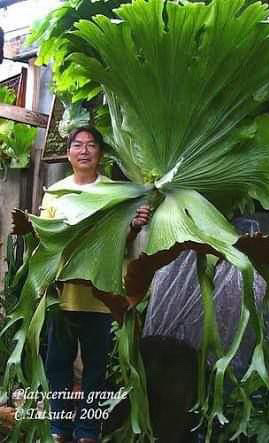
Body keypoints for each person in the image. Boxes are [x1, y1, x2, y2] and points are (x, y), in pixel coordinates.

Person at [41, 127, 150, 443]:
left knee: (95, 371)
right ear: (69, 153)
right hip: (62, 297)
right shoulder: (55, 193)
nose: (84, 150)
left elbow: (123, 239)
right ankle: (59, 430)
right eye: (77, 145)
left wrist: (134, 225)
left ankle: (88, 432)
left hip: (101, 298)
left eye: (91, 145)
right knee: (58, 368)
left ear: (100, 153)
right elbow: (46, 242)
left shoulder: (115, 193)